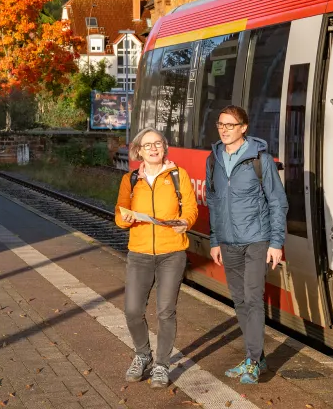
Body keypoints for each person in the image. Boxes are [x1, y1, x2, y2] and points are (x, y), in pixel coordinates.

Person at [205, 105, 288, 385]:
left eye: (230, 124)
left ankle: (252, 361)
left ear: (244, 127)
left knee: (253, 299)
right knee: (240, 300)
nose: (224, 129)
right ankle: (257, 357)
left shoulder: (260, 160)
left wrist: (276, 243)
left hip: (256, 240)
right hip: (228, 242)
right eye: (220, 124)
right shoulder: (213, 159)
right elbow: (214, 202)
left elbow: (278, 201)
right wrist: (215, 239)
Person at [115, 127, 198, 389]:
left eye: (158, 144)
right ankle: (142, 354)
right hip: (139, 253)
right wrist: (125, 219)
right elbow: (119, 215)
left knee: (166, 311)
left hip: (171, 253)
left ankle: (162, 364)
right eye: (148, 145)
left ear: (164, 148)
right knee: (132, 311)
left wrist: (185, 221)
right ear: (138, 150)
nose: (153, 149)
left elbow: (192, 208)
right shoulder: (130, 180)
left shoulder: (177, 175)